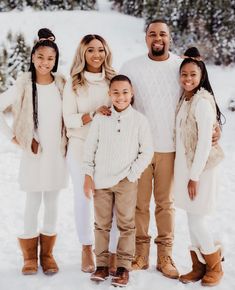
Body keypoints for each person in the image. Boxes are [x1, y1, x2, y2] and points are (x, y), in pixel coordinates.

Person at [120, 19, 221, 279]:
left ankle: (165, 255)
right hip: (139, 149)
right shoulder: (131, 67)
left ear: (170, 38)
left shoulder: (181, 67)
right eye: (152, 33)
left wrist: (215, 128)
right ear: (146, 38)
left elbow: (202, 96)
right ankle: (140, 255)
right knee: (140, 205)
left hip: (170, 150)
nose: (157, 38)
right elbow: (119, 99)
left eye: (162, 34)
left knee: (165, 205)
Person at [0, 28, 68, 275]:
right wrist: (15, 138)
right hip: (33, 154)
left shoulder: (61, 83)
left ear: (55, 60)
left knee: (52, 204)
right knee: (32, 203)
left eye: (50, 58)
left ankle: (47, 254)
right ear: (32, 57)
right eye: (40, 57)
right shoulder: (23, 83)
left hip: (56, 155)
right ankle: (29, 256)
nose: (45, 62)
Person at [83, 74, 153, 287]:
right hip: (101, 181)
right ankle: (102, 265)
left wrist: (132, 174)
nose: (120, 96)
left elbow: (146, 151)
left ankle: (123, 267)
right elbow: (90, 149)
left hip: (126, 181)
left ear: (131, 94)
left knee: (126, 224)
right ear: (109, 94)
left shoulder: (140, 120)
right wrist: (88, 175)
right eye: (116, 92)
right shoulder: (101, 118)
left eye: (125, 92)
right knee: (101, 224)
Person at [63, 34, 118, 273]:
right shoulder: (73, 83)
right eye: (90, 50)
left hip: (108, 148)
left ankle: (112, 251)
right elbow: (69, 120)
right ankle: (86, 247)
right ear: (82, 54)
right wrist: (92, 114)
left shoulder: (112, 80)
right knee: (84, 198)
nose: (96, 55)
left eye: (100, 50)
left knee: (111, 202)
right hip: (79, 146)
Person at [175, 47, 224, 287]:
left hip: (201, 170)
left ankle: (215, 265)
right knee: (191, 217)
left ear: (201, 75)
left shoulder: (202, 101)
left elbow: (205, 142)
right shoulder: (186, 99)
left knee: (197, 220)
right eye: (184, 74)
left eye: (193, 74)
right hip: (186, 168)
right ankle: (199, 265)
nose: (188, 79)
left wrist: (194, 176)